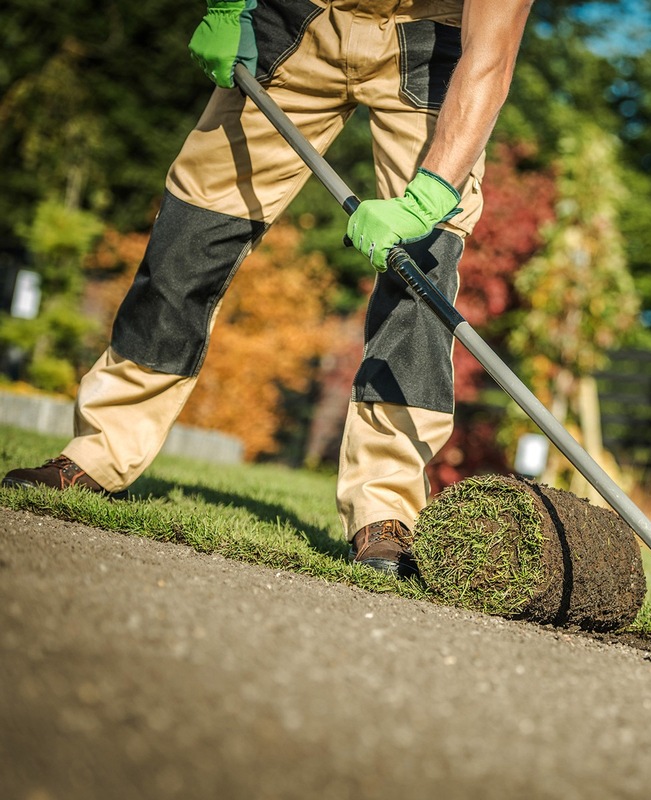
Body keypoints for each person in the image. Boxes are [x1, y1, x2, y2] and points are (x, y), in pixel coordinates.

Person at [2, 0, 534, 577]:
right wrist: (230, 6)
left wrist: (430, 196)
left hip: (431, 39)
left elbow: (491, 54)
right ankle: (98, 454)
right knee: (195, 228)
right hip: (300, 15)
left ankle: (385, 512)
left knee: (423, 264)